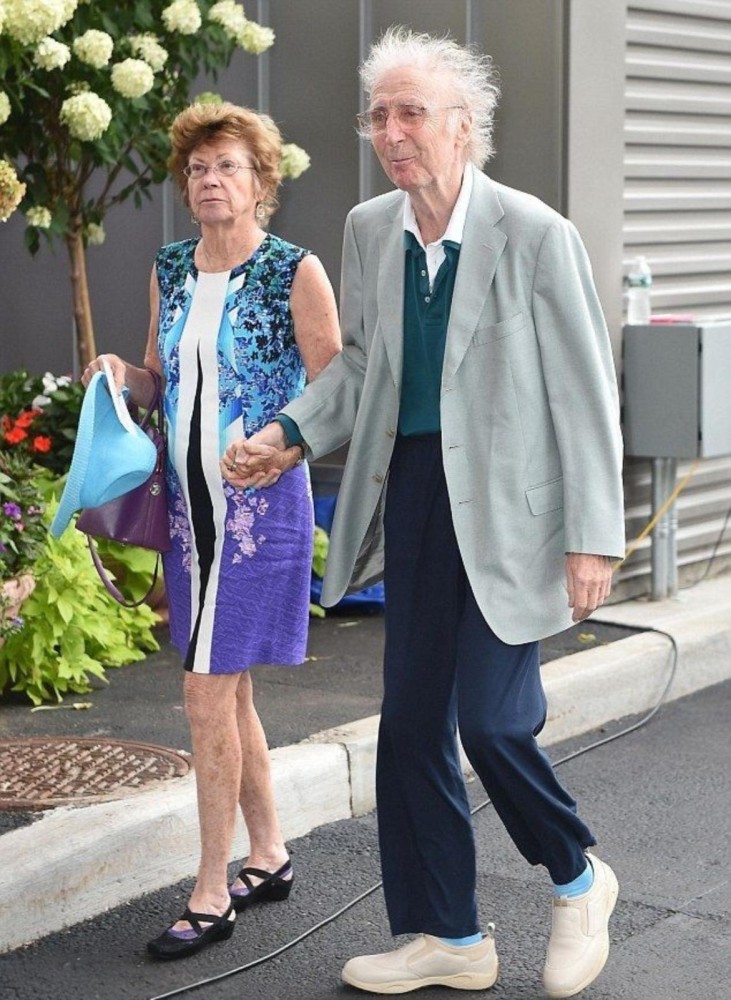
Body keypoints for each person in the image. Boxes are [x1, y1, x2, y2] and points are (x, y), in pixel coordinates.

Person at [225, 26, 627, 998]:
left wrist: (592, 537)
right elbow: (361, 363)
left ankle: (577, 876)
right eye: (378, 115)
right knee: (408, 728)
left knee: (491, 722)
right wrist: (288, 430)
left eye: (411, 113)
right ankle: (447, 933)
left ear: (462, 127)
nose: (392, 132)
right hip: (411, 498)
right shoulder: (371, 229)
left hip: (511, 514)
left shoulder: (534, 233)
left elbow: (583, 393)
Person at [82, 101, 341, 960]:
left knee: (204, 693)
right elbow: (162, 382)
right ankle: (266, 856)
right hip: (189, 514)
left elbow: (333, 388)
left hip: (258, 512)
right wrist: (122, 375)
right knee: (228, 692)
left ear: (261, 182)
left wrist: (280, 442)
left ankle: (209, 890)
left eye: (227, 166)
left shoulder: (292, 270)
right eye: (197, 169)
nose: (209, 181)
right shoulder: (170, 268)